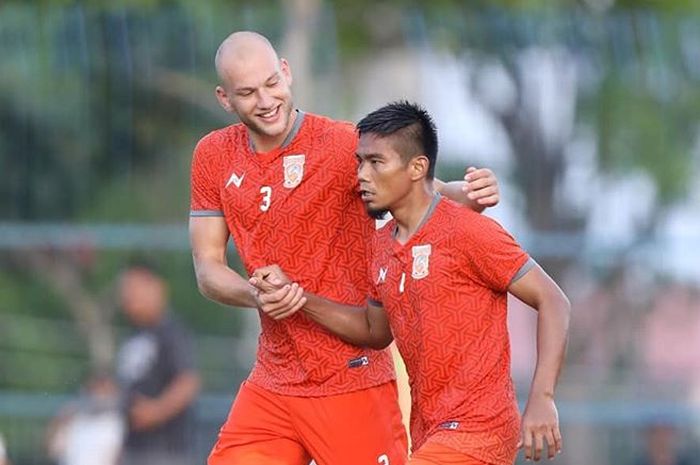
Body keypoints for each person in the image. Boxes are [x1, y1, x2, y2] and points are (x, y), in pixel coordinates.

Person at [189, 31, 500, 465]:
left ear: (286, 71)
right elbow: (207, 269)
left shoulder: (340, 145)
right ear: (225, 98)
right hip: (272, 384)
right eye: (247, 92)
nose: (264, 100)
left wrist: (472, 193)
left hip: (350, 377)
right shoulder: (213, 155)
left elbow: (424, 191)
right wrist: (258, 295)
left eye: (271, 84)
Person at [251, 101, 571, 465]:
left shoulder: (467, 231)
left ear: (417, 167)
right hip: (429, 434)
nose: (362, 175)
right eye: (359, 162)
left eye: (376, 162)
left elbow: (553, 300)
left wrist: (542, 397)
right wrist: (299, 299)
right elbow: (374, 331)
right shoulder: (381, 243)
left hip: (479, 432)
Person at [115, 260, 201, 465]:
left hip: (166, 451)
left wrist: (156, 411)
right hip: (134, 448)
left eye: (134, 288)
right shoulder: (132, 334)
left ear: (156, 288)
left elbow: (188, 383)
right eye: (125, 289)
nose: (128, 296)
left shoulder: (171, 332)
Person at [45, 371, 124, 465]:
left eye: (105, 391)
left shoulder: (115, 423)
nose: (100, 396)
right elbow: (53, 450)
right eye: (96, 390)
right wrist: (60, 423)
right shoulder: (74, 418)